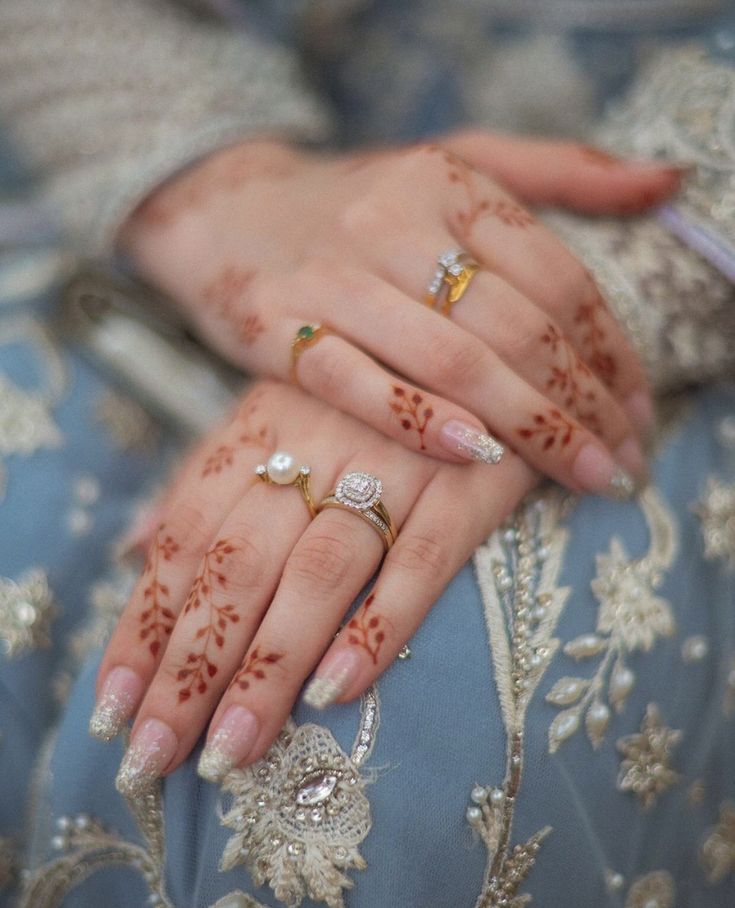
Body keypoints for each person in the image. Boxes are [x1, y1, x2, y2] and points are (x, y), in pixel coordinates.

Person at [0, 2, 734, 906]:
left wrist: (533, 316)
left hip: (687, 231)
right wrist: (216, 181)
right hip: (236, 138)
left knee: (414, 704)